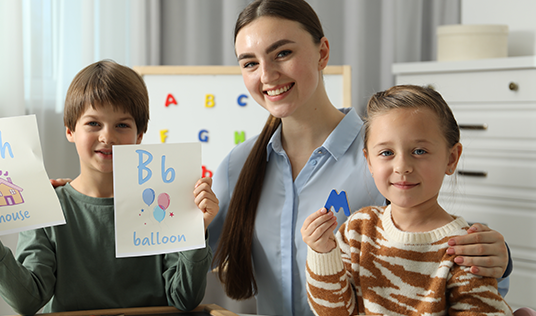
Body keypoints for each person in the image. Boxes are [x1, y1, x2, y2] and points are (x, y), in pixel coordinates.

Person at [207, 1, 512, 315]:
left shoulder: (385, 159)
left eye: (283, 53)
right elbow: (192, 258)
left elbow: (440, 256)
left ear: (322, 52)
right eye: (250, 63)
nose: (267, 75)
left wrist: (497, 257)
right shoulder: (239, 164)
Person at [0, 60, 219, 315]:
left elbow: (185, 298)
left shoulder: (164, 202)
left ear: (139, 136)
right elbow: (27, 300)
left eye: (122, 124)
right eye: (93, 123)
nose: (107, 136)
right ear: (70, 131)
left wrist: (196, 229)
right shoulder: (48, 205)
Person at [301, 85, 513, 315]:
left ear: (451, 159)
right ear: (369, 162)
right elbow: (335, 312)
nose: (402, 167)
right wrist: (323, 253)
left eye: (419, 151)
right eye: (386, 153)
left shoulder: (463, 248)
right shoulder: (357, 229)